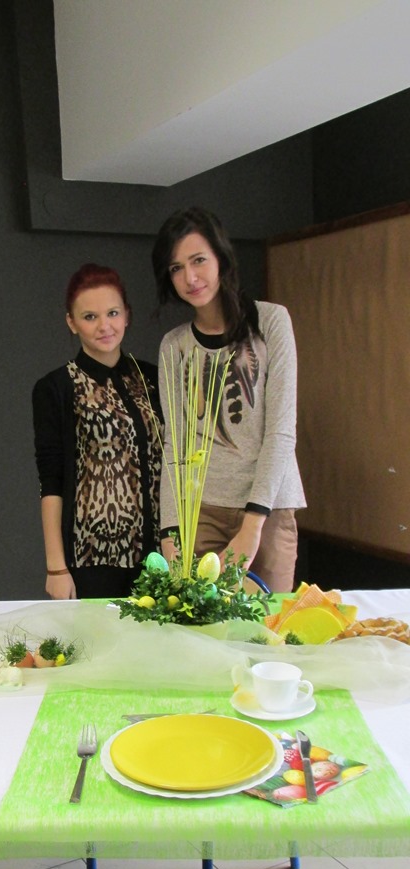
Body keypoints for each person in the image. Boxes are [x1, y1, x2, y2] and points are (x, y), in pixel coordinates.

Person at [151, 207, 305, 593]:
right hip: (200, 511)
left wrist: (252, 526)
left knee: (267, 622)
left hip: (269, 508)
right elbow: (175, 445)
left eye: (199, 260)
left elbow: (281, 432)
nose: (190, 277)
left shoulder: (271, 322)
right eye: (176, 268)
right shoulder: (174, 346)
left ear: (221, 257)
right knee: (202, 624)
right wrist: (171, 531)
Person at [32, 263, 162, 600]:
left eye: (113, 313)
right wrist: (56, 568)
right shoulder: (56, 387)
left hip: (158, 555)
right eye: (90, 317)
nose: (104, 326)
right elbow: (51, 481)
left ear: (126, 315)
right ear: (71, 322)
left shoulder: (153, 379)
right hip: (92, 557)